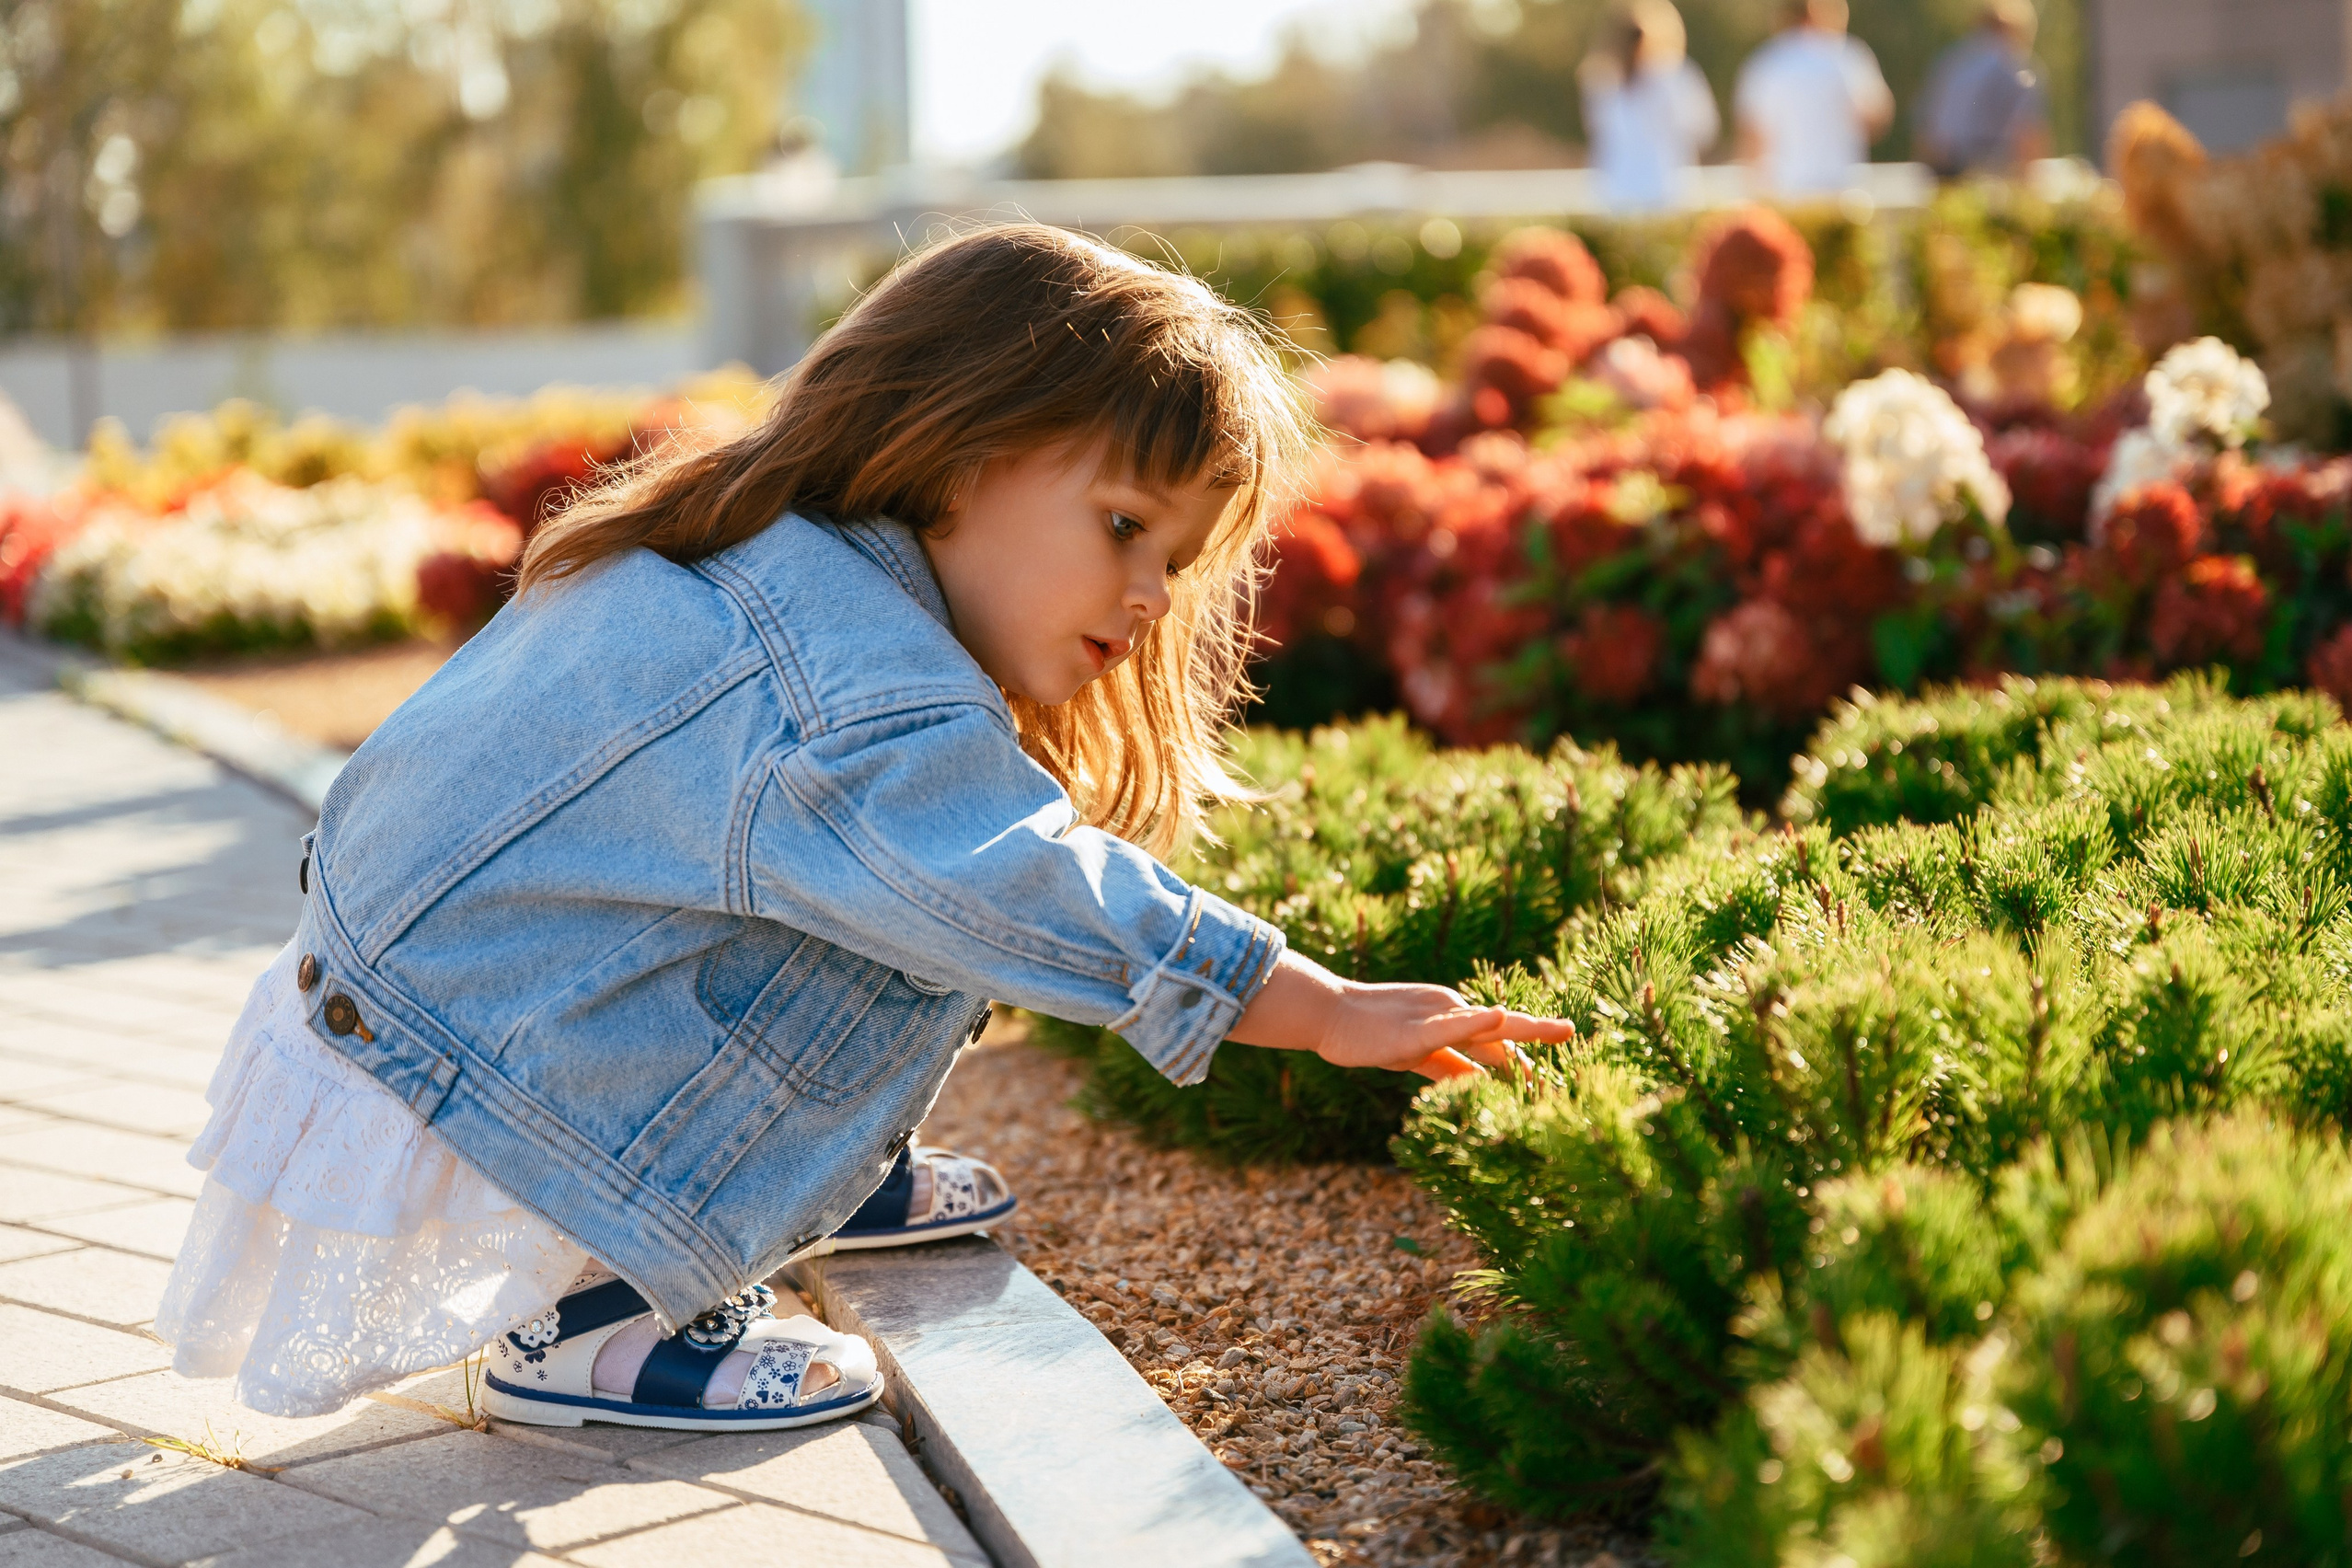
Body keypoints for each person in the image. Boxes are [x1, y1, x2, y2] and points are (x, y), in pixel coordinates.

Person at [152, 224, 1574, 1430]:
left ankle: (810, 1169)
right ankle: (587, 1324)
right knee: (936, 870)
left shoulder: (775, 557)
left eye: (1178, 560)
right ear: (962, 455)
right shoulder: (854, 692)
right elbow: (1019, 885)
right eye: (1126, 526)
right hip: (476, 1068)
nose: (1150, 597)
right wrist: (1309, 1004)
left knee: (869, 871)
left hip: (416, 1004)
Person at [1734, 0, 1895, 196]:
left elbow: (1752, 138)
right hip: (1844, 188)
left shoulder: (1766, 61)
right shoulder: (1849, 57)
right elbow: (1877, 119)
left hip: (1787, 190)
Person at [1580, 0, 1721, 212]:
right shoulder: (1675, 75)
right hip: (1666, 194)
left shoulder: (1601, 80)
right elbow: (1704, 130)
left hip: (1620, 196)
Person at [1915, 0, 2051, 179]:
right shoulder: (2017, 67)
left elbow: (1925, 132)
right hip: (1991, 177)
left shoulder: (1950, 62)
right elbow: (2028, 136)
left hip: (1943, 171)